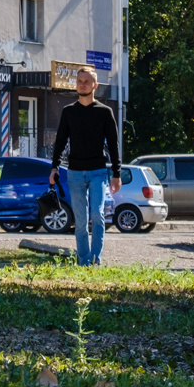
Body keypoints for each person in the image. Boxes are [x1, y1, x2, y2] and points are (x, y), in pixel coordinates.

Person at [50, 66, 121, 266]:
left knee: (97, 215)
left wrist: (117, 173)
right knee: (80, 221)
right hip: (74, 172)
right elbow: (61, 141)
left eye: (87, 81)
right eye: (80, 81)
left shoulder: (105, 112)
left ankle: (95, 260)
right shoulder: (68, 112)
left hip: (98, 171)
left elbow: (113, 144)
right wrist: (54, 168)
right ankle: (84, 262)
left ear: (95, 85)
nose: (82, 84)